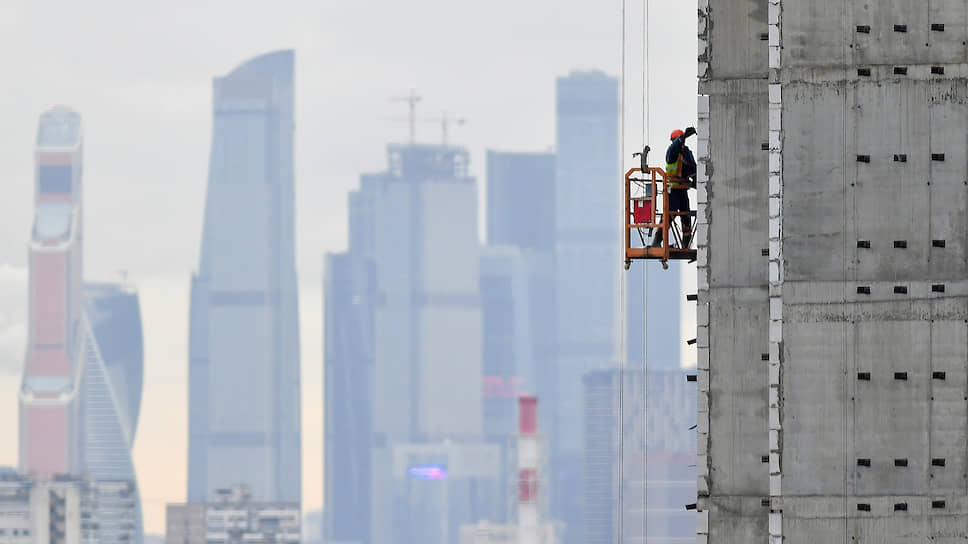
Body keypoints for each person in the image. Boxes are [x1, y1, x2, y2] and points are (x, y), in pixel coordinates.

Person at [650, 126, 697, 249]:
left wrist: (698, 181)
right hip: (672, 190)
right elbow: (675, 146)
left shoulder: (687, 153)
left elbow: (693, 169)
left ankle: (685, 244)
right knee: (668, 216)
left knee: (686, 216)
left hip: (682, 190)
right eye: (679, 140)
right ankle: (656, 241)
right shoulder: (671, 152)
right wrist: (683, 137)